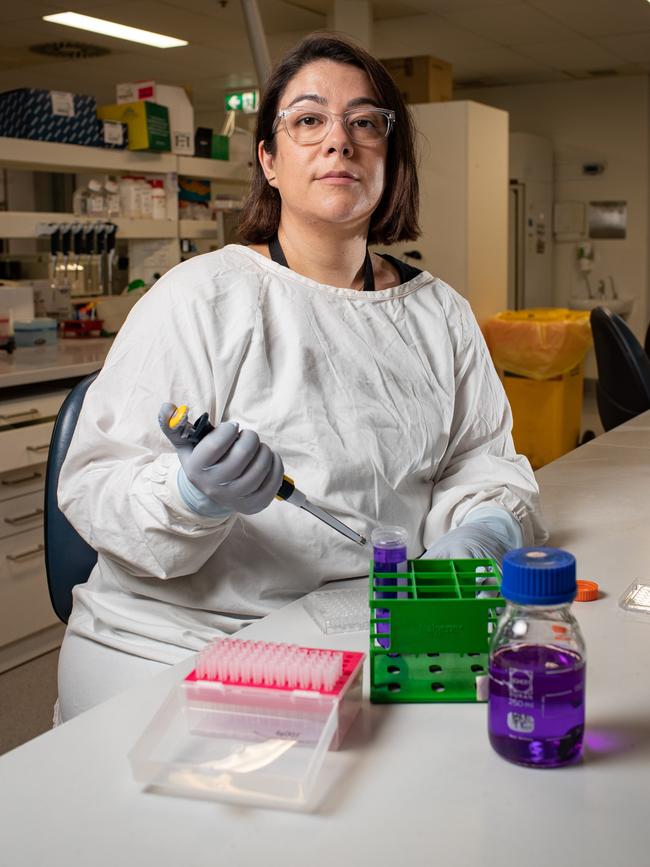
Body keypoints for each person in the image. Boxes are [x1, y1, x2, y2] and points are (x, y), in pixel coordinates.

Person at [56, 33, 546, 723]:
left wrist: (482, 530)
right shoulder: (202, 297)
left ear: (389, 157)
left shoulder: (439, 313)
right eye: (309, 120)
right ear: (269, 159)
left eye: (365, 122)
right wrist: (190, 493)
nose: (339, 142)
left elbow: (480, 460)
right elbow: (95, 486)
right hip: (175, 643)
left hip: (359, 632)